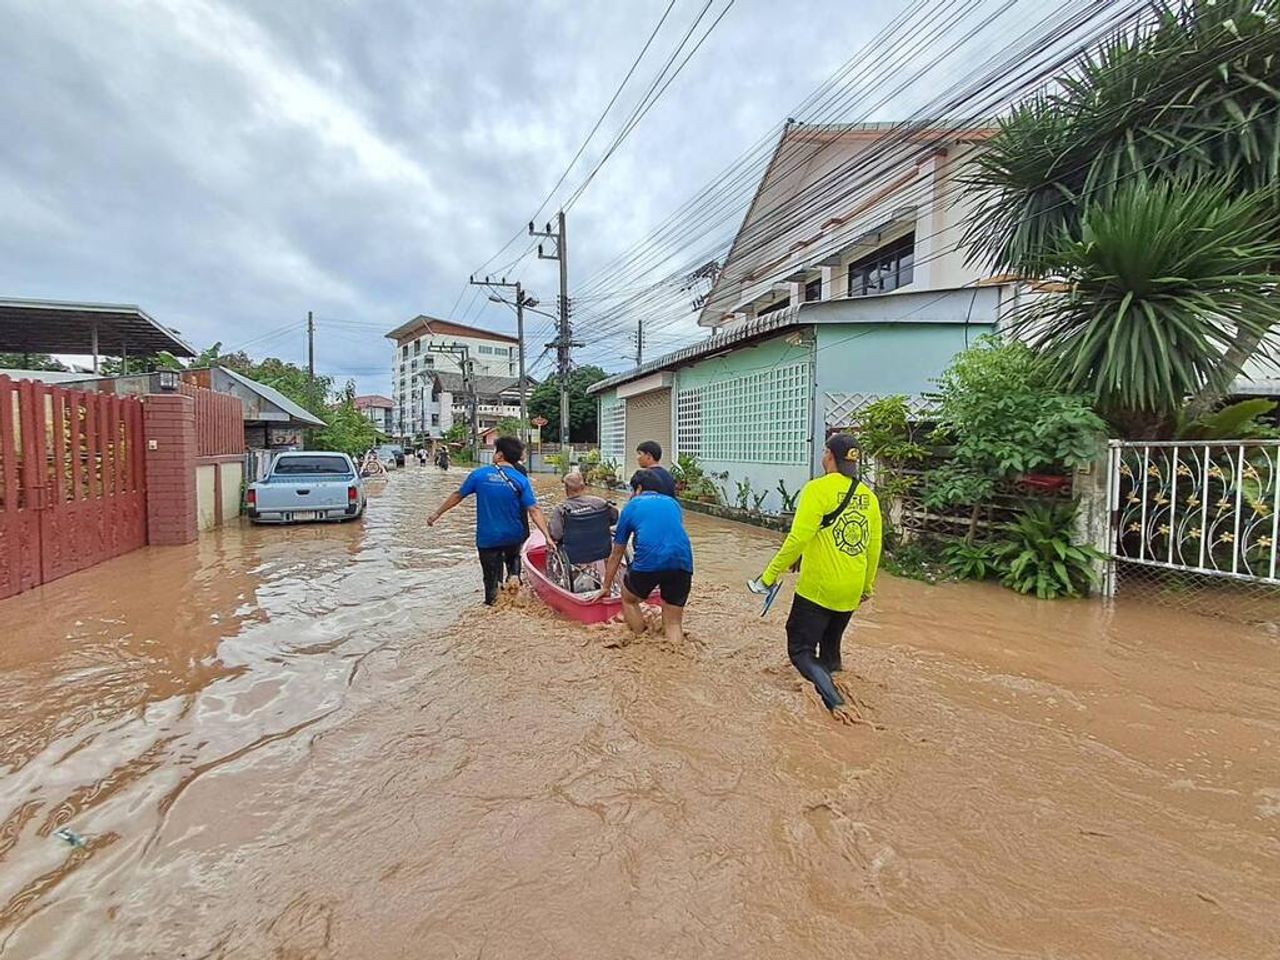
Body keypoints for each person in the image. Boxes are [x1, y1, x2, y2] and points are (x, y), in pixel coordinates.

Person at [749, 434, 882, 726]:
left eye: (824, 451)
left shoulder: (816, 489)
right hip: (852, 587)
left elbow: (798, 537)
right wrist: (867, 586)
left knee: (800, 649)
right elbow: (873, 546)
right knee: (830, 648)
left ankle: (837, 703)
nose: (823, 456)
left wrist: (769, 576)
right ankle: (836, 682)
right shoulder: (868, 496)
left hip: (819, 588)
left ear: (831, 457)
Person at [428, 436, 553, 606]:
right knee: (513, 559)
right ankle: (514, 577)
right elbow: (534, 509)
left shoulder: (479, 475)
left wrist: (437, 514)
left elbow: (458, 495)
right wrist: (547, 536)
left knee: (491, 583)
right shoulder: (522, 480)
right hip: (514, 536)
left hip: (488, 538)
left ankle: (494, 606)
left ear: (499, 455)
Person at [596, 468, 694, 643]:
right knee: (673, 622)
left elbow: (617, 552)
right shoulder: (673, 504)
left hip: (649, 563)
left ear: (638, 489)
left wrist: (606, 586)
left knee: (629, 599)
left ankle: (640, 640)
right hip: (683, 563)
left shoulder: (632, 506)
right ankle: (676, 655)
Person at [548, 471, 619, 542]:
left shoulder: (560, 509)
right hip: (602, 548)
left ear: (566, 488)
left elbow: (556, 535)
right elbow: (614, 517)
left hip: (573, 551)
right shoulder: (600, 502)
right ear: (583, 487)